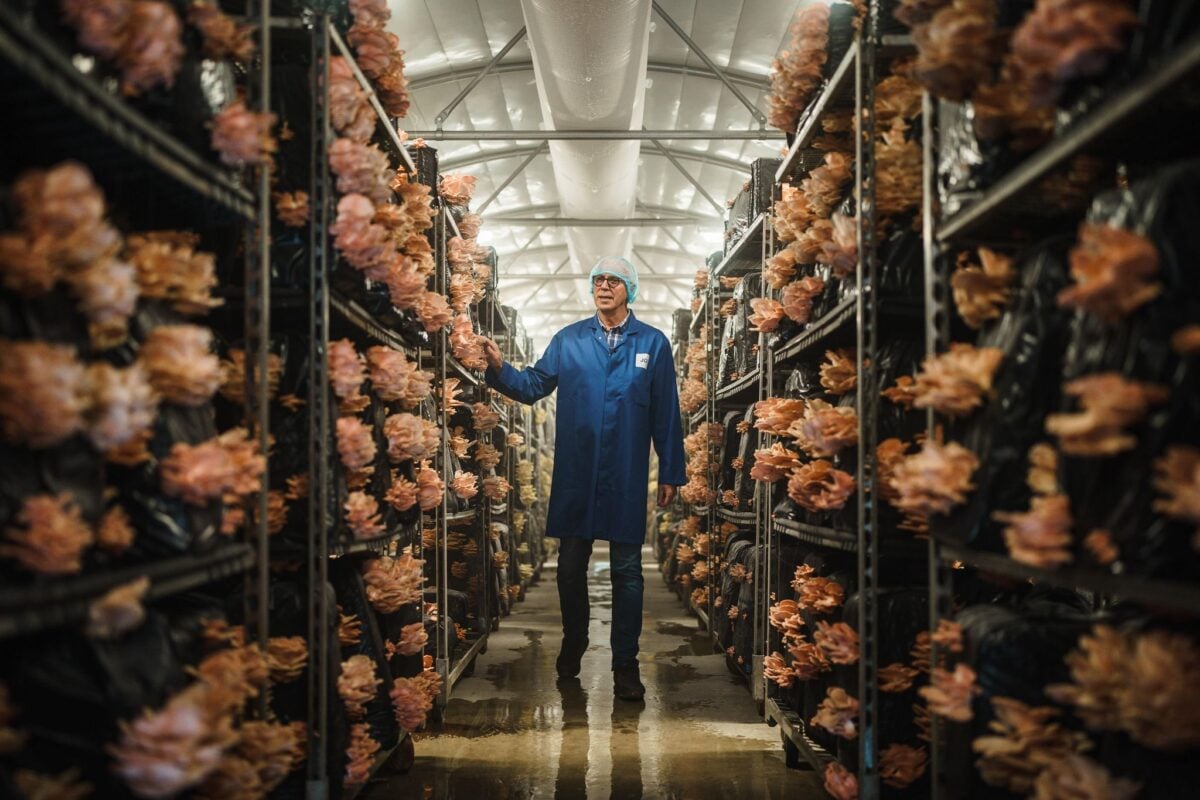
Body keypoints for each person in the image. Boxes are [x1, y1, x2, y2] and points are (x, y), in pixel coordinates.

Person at [481, 255, 686, 701]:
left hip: (626, 472)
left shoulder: (652, 343)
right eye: (598, 280)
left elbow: (666, 412)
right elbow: (533, 385)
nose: (604, 286)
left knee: (627, 571)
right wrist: (499, 369)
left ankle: (625, 665)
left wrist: (671, 469)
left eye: (614, 280)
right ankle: (575, 641)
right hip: (577, 471)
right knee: (570, 568)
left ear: (630, 289)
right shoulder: (569, 340)